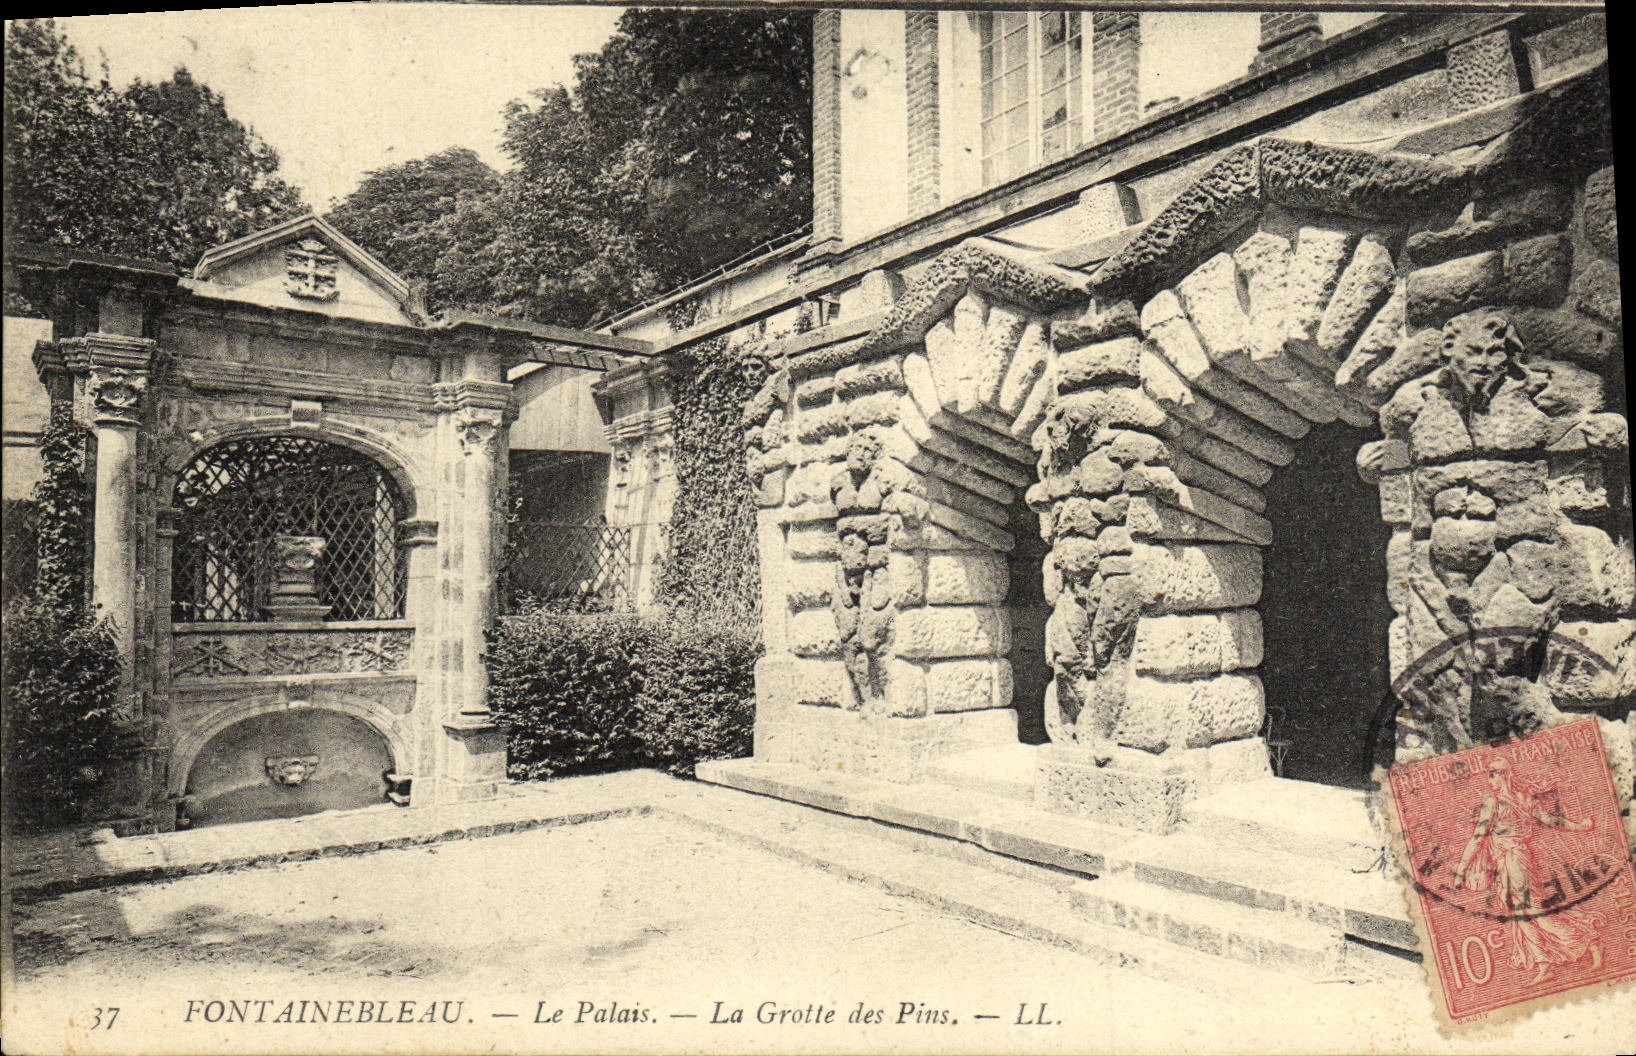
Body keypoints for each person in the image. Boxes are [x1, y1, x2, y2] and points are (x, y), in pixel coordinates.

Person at [1452, 756, 1606, 984]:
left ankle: (1589, 941)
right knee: (1519, 914)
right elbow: (1551, 821)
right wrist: (1580, 827)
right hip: (1508, 861)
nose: (1489, 780)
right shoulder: (1520, 799)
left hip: (1515, 861)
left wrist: (1460, 870)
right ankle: (1544, 964)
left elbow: (1478, 837)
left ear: (1503, 775)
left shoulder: (1495, 803)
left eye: (1492, 774)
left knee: (1534, 912)